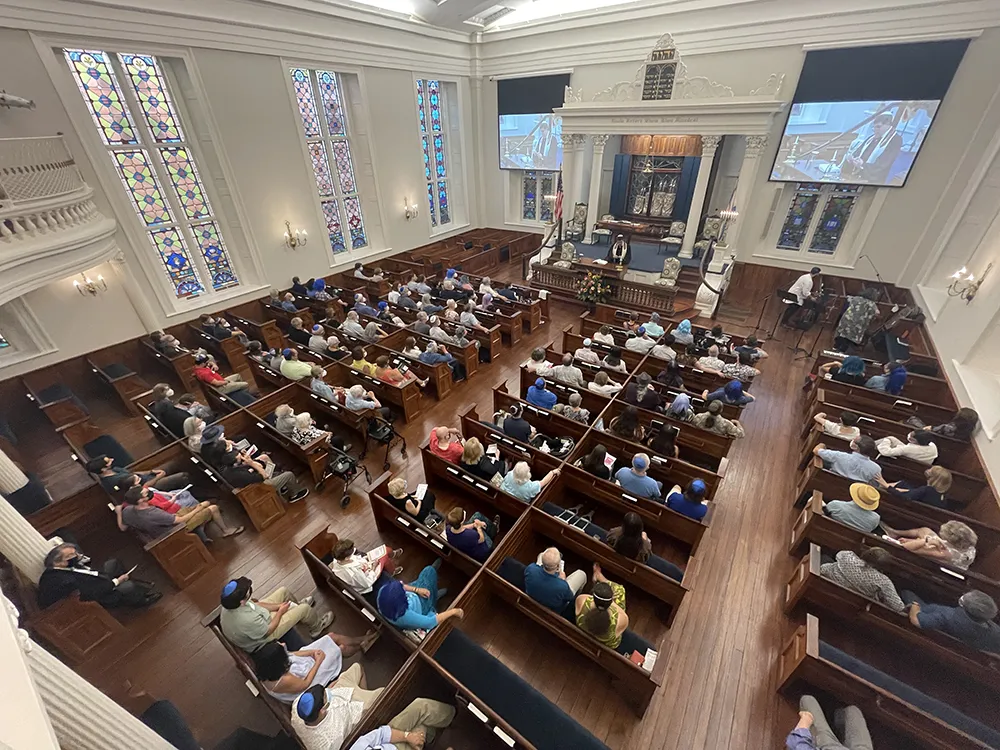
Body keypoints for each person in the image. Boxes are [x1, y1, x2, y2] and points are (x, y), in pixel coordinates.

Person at [251, 632, 374, 706]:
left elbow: (291, 654)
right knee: (339, 648)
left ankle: (362, 639)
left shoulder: (268, 666)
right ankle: (362, 644)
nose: (283, 644)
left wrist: (312, 652)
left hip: (297, 669)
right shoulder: (284, 680)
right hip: (307, 684)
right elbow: (305, 684)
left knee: (330, 637)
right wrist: (318, 661)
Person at [220, 576, 332, 652]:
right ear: (241, 601)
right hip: (265, 637)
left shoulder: (232, 603)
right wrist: (280, 612)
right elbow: (268, 630)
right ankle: (316, 627)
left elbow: (256, 605)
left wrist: (279, 606)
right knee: (304, 609)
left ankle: (295, 606)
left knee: (283, 591)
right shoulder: (246, 620)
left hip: (259, 620)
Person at [201, 424, 311, 502]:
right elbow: (263, 476)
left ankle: (280, 482)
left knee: (264, 458)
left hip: (249, 475)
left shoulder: (228, 463)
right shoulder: (234, 471)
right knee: (289, 474)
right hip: (258, 485)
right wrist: (252, 464)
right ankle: (295, 493)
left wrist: (247, 462)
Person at [38, 542, 160, 609]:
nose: (77, 556)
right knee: (127, 585)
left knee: (113, 563)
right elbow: (92, 593)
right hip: (100, 597)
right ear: (58, 562)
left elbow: (86, 572)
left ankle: (136, 592)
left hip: (96, 580)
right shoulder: (63, 581)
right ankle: (140, 601)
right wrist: (116, 581)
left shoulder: (62, 567)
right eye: (71, 555)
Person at [117, 490, 243, 543]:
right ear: (140, 500)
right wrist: (197, 510)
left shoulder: (127, 510)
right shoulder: (153, 513)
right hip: (175, 530)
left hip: (168, 521)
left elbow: (122, 528)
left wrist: (118, 513)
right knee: (212, 508)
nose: (149, 493)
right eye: (145, 494)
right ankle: (226, 531)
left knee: (205, 503)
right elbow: (180, 521)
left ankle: (202, 526)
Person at [376, 561, 464, 632]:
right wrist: (454, 611)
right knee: (429, 572)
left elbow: (401, 586)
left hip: (412, 596)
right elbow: (430, 622)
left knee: (426, 579)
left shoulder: (383, 594)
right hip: (421, 606)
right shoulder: (406, 615)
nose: (402, 583)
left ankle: (434, 594)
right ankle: (434, 598)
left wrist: (416, 590)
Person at [905, 590, 1000, 654]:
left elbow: (916, 620)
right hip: (964, 653)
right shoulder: (996, 632)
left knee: (906, 593)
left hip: (927, 616)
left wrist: (915, 605)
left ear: (963, 604)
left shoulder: (947, 616)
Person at [820, 547, 906, 612]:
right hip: (850, 605)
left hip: (823, 581)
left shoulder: (848, 556)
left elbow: (838, 554)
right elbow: (898, 607)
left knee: (825, 557)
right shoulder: (883, 581)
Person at [787, 696, 873, 750]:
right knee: (853, 711)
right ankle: (836, 720)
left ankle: (832, 717)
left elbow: (796, 743)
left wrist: (805, 720)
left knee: (807, 700)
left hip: (827, 745)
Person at [884, 520, 977, 570]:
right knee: (926, 530)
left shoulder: (946, 553)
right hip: (952, 553)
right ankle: (895, 532)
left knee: (926, 544)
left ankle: (895, 535)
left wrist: (926, 540)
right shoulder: (968, 543)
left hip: (940, 567)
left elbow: (906, 548)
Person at [840, 112, 904, 184]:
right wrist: (852, 159)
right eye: (874, 127)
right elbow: (857, 153)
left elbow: (883, 164)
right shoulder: (871, 138)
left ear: (888, 125)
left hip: (873, 181)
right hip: (857, 176)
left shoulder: (895, 140)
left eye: (878, 127)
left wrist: (862, 165)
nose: (875, 130)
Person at [575, 564, 628, 651]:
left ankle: (598, 577)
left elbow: (588, 598)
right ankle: (600, 577)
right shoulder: (622, 619)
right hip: (607, 645)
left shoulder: (582, 600)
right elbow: (622, 612)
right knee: (620, 590)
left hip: (584, 631)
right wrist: (611, 602)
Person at [329, 538, 402, 598]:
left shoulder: (337, 560)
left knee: (385, 550)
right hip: (369, 579)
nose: (354, 549)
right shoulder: (354, 574)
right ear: (346, 558)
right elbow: (367, 583)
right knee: (384, 557)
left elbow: (354, 560)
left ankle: (392, 555)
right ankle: (392, 570)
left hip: (365, 566)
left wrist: (366, 559)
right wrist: (373, 567)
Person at [85, 454, 190, 495]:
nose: (112, 460)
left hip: (148, 477)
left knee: (175, 462)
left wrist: (151, 471)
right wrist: (159, 477)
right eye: (108, 461)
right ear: (103, 469)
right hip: (151, 487)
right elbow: (141, 488)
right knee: (182, 476)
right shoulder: (114, 481)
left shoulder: (115, 469)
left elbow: (133, 473)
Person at [524, 547, 587, 613]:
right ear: (558, 566)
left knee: (541, 554)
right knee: (581, 574)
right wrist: (563, 581)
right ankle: (578, 596)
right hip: (553, 610)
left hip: (532, 597)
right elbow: (569, 597)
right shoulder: (562, 586)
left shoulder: (531, 569)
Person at [876, 464, 952, 509]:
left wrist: (886, 486)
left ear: (933, 478)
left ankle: (876, 487)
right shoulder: (942, 495)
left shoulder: (927, 490)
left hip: (909, 507)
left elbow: (905, 497)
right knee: (903, 483)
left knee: (895, 487)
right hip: (918, 504)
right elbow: (916, 494)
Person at [814, 435, 883, 484]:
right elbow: (875, 485)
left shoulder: (839, 456)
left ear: (856, 447)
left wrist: (822, 444)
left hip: (829, 483)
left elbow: (816, 450)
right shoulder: (876, 469)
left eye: (854, 441)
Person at [834, 288, 880, 352]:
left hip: (847, 319)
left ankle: (836, 346)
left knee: (842, 333)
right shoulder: (872, 305)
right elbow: (877, 313)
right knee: (849, 338)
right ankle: (841, 350)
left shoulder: (856, 298)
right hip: (858, 324)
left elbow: (849, 304)